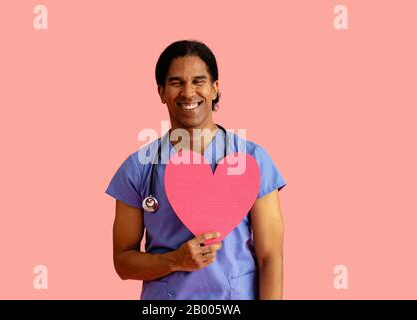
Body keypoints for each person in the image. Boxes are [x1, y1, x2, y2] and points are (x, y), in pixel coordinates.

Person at [105, 40, 286, 300]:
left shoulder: (253, 159)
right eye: (176, 82)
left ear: (214, 89)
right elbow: (122, 262)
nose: (188, 93)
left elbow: (271, 257)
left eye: (198, 81)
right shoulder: (138, 167)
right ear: (161, 92)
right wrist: (175, 261)